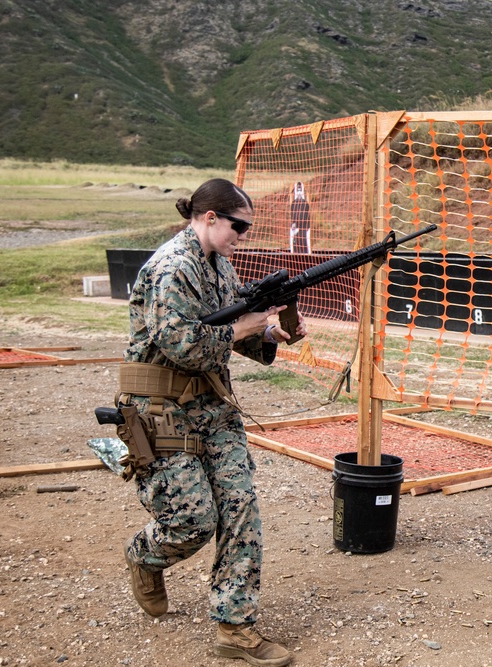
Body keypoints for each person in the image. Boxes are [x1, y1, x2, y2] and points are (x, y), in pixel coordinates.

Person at [118, 178, 304, 666]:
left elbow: (231, 328)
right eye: (237, 226)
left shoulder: (218, 264)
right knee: (192, 522)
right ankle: (145, 556)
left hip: (213, 409)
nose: (242, 235)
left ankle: (235, 628)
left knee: (241, 506)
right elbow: (184, 345)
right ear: (209, 218)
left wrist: (269, 333)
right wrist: (245, 326)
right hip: (159, 409)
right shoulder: (169, 268)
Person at [289, 181, 311, 254]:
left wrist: (307, 190)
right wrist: (291, 191)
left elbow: (308, 201)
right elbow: (291, 200)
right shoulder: (293, 203)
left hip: (304, 227)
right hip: (296, 226)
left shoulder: (305, 203)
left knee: (305, 243)